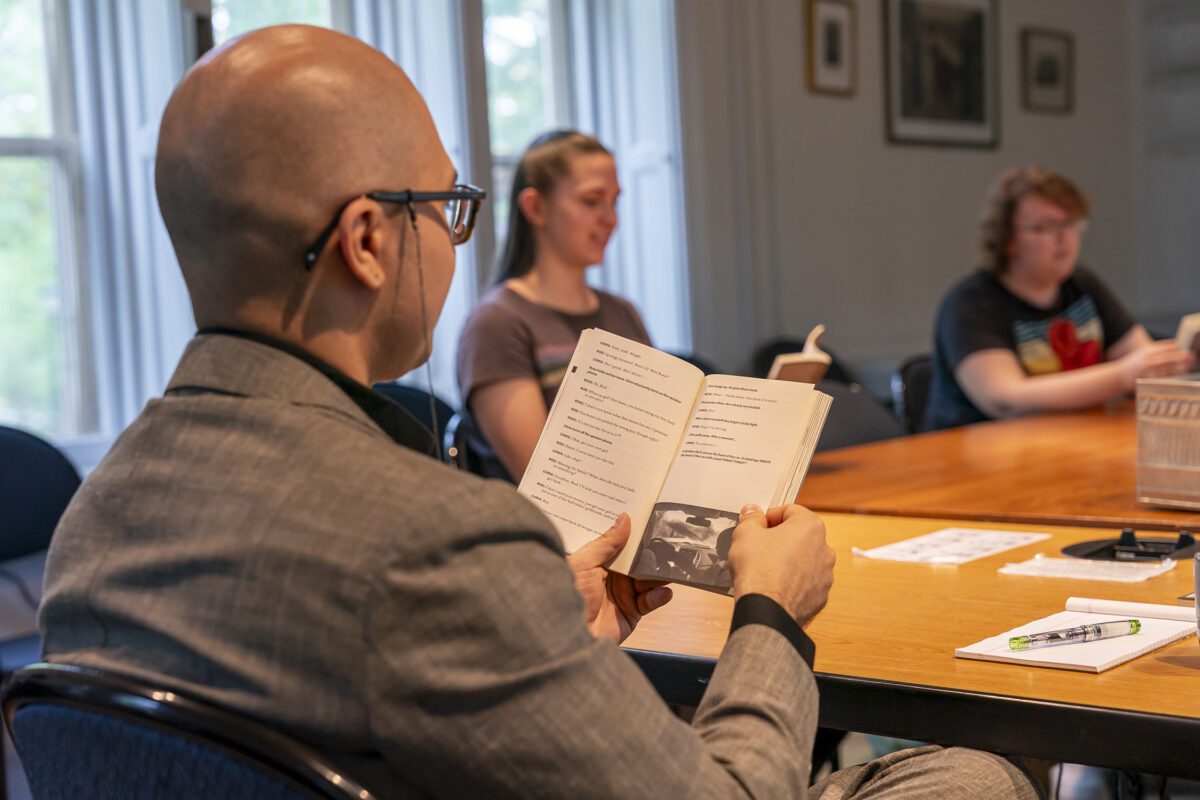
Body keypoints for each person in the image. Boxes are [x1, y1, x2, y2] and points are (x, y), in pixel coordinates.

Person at [38, 26, 1035, 799]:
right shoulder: (433, 538)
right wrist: (768, 613)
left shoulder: (96, 517)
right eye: (446, 206)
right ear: (366, 241)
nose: (455, 238)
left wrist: (550, 626)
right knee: (980, 773)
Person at [924, 166, 1195, 431]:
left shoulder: (1080, 284)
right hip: (982, 455)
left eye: (1069, 223)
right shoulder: (970, 304)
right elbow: (1006, 399)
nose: (1063, 237)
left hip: (1071, 440)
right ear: (1007, 239)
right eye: (1044, 228)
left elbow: (1139, 354)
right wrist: (1122, 376)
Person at [456, 130, 650, 481]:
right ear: (535, 207)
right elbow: (545, 480)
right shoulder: (496, 324)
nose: (610, 219)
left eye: (614, 202)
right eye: (592, 201)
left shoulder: (623, 312)